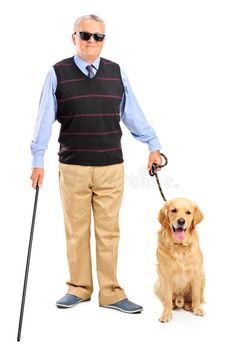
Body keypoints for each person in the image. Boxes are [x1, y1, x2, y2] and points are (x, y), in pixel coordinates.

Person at [31, 14, 162, 314]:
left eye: (98, 36)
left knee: (109, 231)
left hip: (110, 166)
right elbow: (43, 121)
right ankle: (78, 288)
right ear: (73, 37)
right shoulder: (57, 73)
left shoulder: (116, 72)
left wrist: (153, 145)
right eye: (85, 35)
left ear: (104, 40)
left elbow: (133, 114)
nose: (92, 41)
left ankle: (112, 293)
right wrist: (37, 160)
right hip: (73, 166)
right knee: (76, 231)